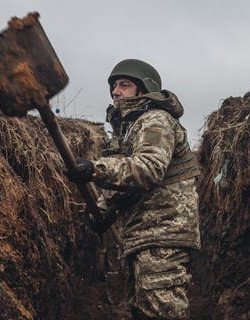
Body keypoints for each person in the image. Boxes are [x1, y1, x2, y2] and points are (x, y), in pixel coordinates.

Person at [66, 59, 201, 320]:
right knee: (142, 312)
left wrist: (96, 170)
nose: (115, 91)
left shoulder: (156, 121)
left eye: (124, 85)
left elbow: (148, 170)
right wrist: (105, 211)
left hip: (163, 235)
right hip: (142, 237)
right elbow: (128, 186)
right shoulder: (128, 131)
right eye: (114, 86)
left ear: (144, 90)